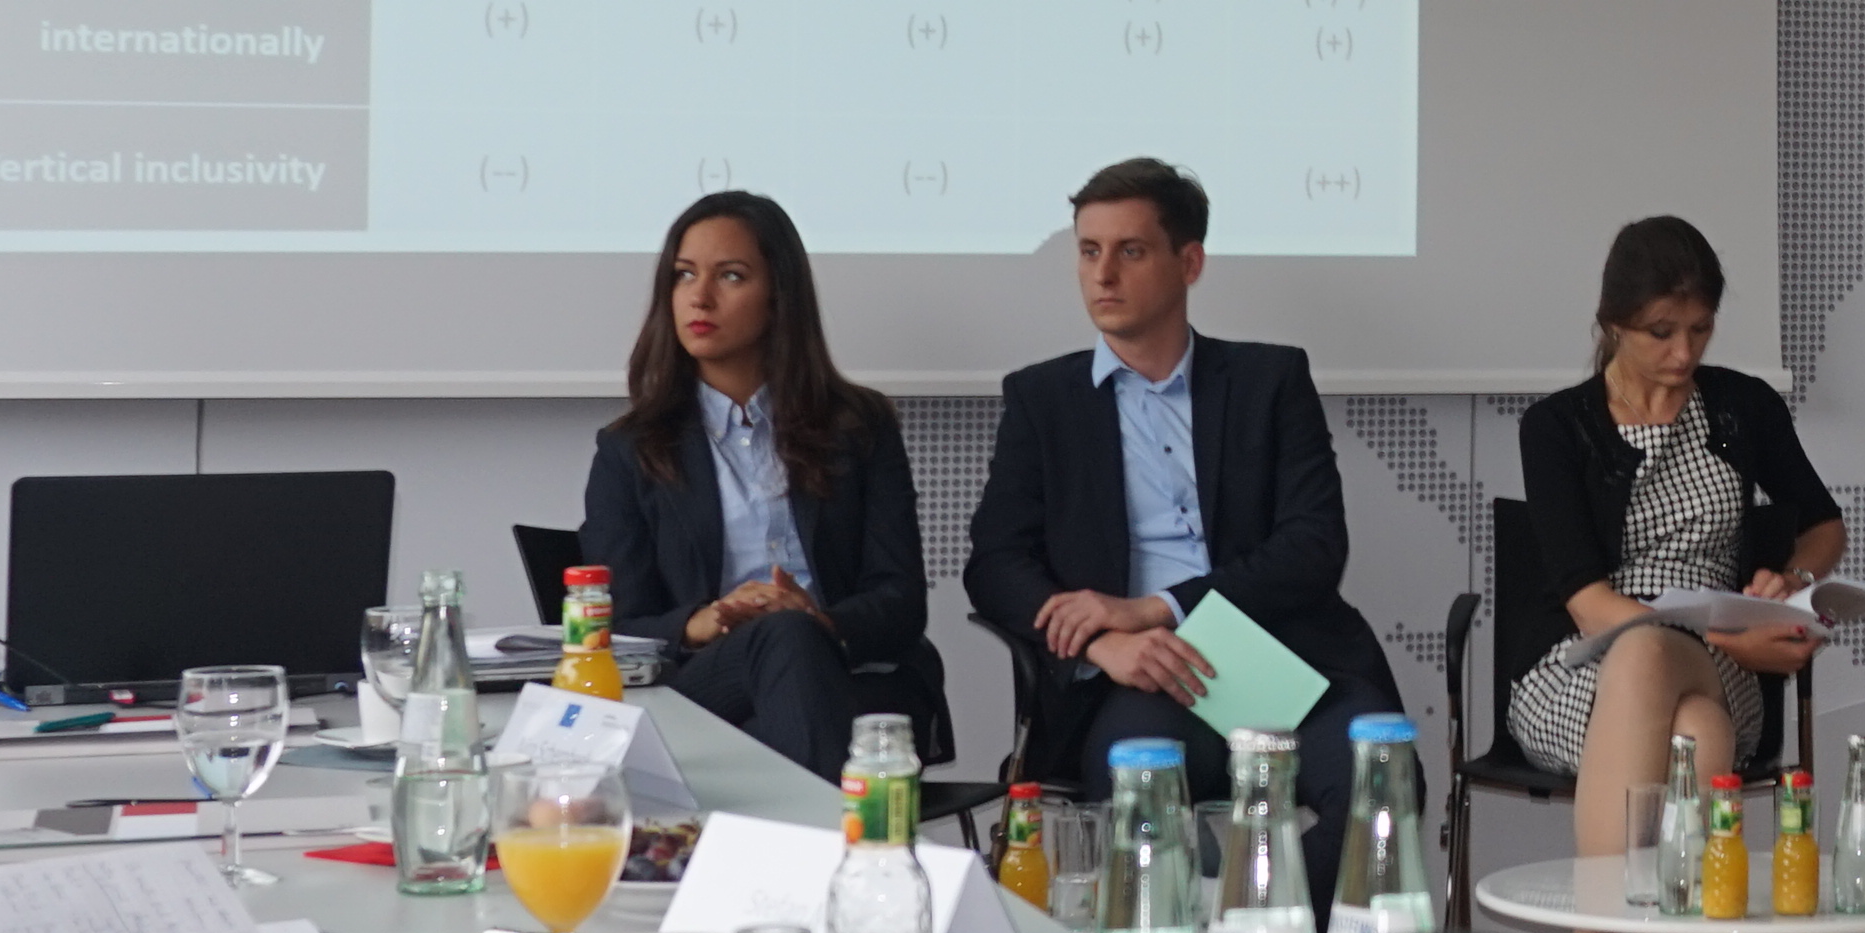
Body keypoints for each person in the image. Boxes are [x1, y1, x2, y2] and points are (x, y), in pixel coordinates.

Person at [962, 157, 1403, 867]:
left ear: (1189, 262)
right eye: (1089, 251)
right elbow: (996, 566)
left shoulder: (1269, 381)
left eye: (1130, 252)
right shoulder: (1043, 400)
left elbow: (1314, 546)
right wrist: (1103, 644)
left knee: (1379, 786)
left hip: (1278, 656)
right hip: (1142, 677)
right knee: (1142, 799)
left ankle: (1272, 929)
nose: (1103, 275)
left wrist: (1156, 607)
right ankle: (1205, 931)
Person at [1509, 219, 1848, 933]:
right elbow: (1587, 601)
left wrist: (1793, 581)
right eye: (1662, 332)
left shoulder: (1741, 408)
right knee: (1677, 706)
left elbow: (1823, 522)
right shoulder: (1556, 426)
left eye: (1700, 330)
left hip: (1715, 661)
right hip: (1580, 670)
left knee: (1682, 694)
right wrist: (1728, 643)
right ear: (1613, 323)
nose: (1684, 352)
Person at [574, 191, 928, 782]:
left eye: (730, 275)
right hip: (706, 685)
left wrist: (820, 622)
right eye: (684, 275)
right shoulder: (630, 449)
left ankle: (792, 827)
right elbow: (615, 621)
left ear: (779, 296)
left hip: (841, 673)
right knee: (781, 638)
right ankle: (837, 832)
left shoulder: (858, 426)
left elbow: (900, 599)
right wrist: (703, 620)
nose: (700, 297)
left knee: (790, 647)